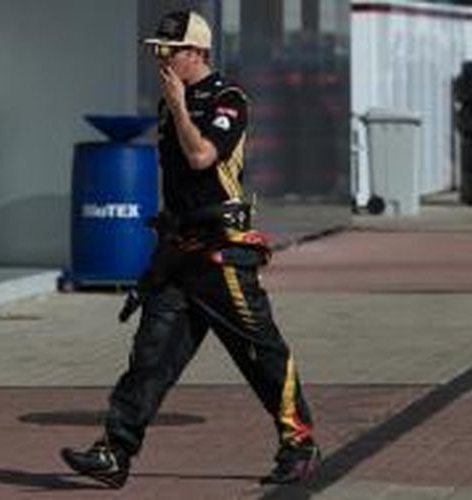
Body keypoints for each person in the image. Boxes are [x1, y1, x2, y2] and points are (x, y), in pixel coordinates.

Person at [61, 10, 320, 489]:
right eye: (157, 50)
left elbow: (202, 157)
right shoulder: (167, 105)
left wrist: (180, 107)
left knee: (261, 354)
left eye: (169, 50)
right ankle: (115, 451)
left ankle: (299, 444)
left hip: (223, 254)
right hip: (180, 254)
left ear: (196, 52)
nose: (160, 58)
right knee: (150, 357)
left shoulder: (228, 100)